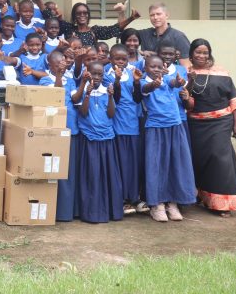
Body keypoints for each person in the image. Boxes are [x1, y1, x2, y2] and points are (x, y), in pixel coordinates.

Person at [186, 38, 236, 217]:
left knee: (220, 160)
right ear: (191, 54)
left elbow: (233, 98)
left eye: (205, 52)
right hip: (195, 124)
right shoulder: (186, 73)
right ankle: (201, 196)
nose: (201, 56)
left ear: (209, 54)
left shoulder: (221, 72)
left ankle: (222, 204)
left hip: (220, 122)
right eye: (198, 52)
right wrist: (189, 80)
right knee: (199, 161)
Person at [141, 55, 197, 222]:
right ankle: (156, 205)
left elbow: (175, 84)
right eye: (152, 66)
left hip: (175, 126)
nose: (156, 69)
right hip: (156, 129)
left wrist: (180, 82)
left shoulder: (168, 79)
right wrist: (154, 83)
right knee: (156, 165)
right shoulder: (144, 83)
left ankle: (173, 203)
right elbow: (147, 89)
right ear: (146, 68)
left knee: (176, 164)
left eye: (159, 67)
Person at [72, 62, 123, 223]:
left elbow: (111, 114)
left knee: (107, 176)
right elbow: (84, 112)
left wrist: (110, 96)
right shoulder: (80, 90)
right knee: (91, 176)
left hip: (106, 138)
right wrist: (87, 94)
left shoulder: (106, 90)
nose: (96, 77)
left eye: (100, 74)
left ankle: (108, 211)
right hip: (89, 139)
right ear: (88, 74)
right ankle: (91, 213)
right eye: (93, 74)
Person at [103, 44, 144, 215]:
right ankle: (120, 199)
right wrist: (117, 80)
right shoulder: (106, 74)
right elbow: (116, 98)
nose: (121, 62)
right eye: (117, 59)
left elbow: (137, 98)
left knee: (133, 163)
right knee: (120, 162)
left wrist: (136, 82)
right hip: (117, 122)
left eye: (124, 59)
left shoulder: (134, 71)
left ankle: (133, 197)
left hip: (132, 121)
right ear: (110, 59)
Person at [39, 50, 80, 222]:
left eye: (63, 63)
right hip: (53, 131)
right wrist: (58, 75)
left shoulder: (70, 81)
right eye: (58, 64)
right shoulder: (45, 80)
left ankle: (66, 212)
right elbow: (55, 97)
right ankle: (52, 211)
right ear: (50, 65)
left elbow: (76, 99)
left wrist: (83, 83)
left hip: (71, 129)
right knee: (53, 170)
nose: (62, 66)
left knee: (68, 173)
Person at [55, 2, 139, 47]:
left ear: (88, 15)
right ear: (74, 15)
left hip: (91, 67)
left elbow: (114, 29)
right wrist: (58, 17)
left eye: (85, 13)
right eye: (78, 13)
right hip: (72, 68)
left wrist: (132, 18)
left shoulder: (94, 31)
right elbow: (52, 24)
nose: (82, 15)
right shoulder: (69, 28)